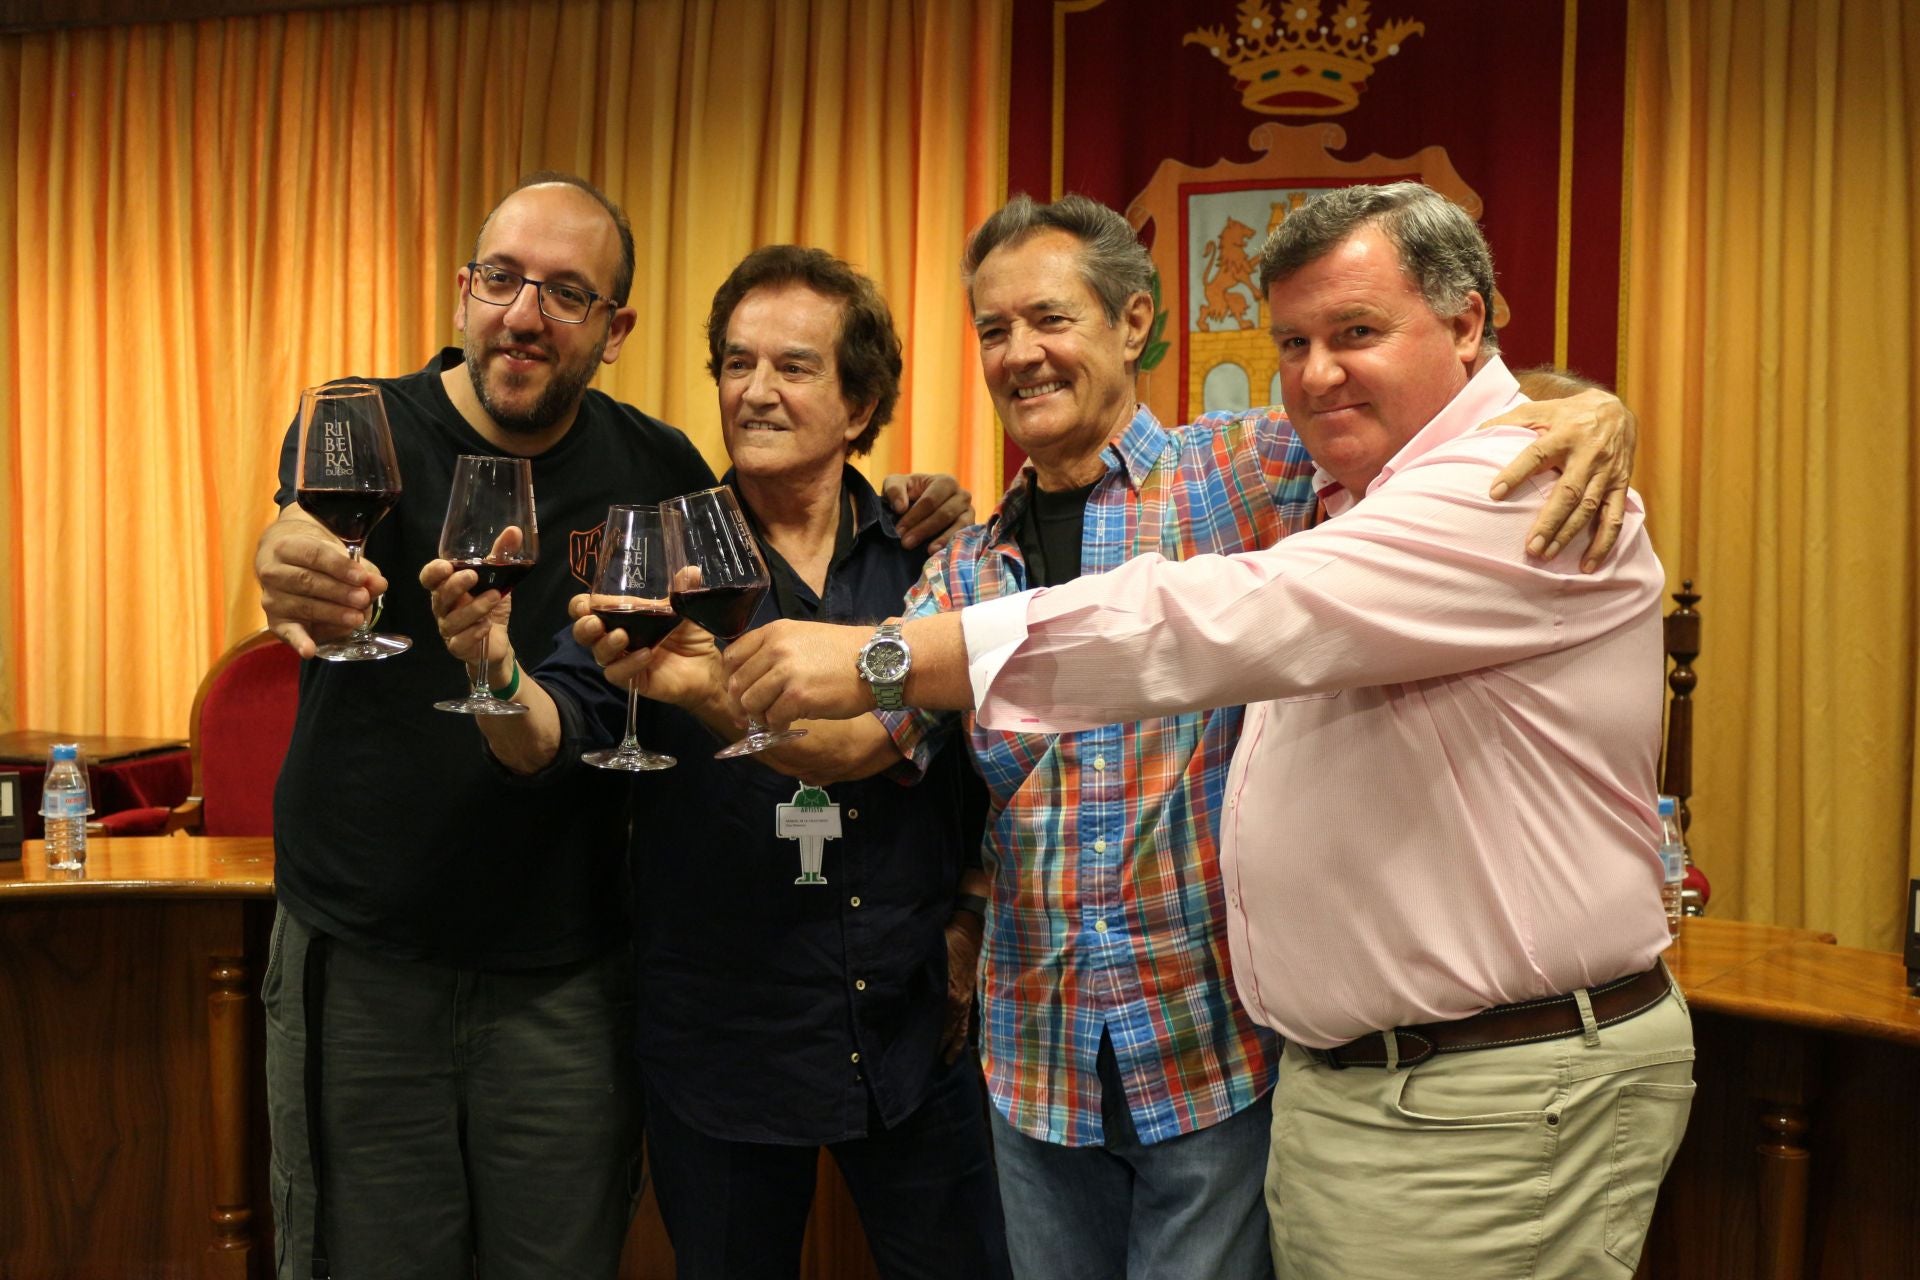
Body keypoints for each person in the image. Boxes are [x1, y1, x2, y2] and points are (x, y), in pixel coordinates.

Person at [725, 182, 1695, 1279]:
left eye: (1050, 318)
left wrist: (1589, 405)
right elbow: (859, 742)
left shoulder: (1256, 462)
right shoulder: (962, 558)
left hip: (1219, 1053)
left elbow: (1218, 605)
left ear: (1132, 324)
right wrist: (709, 685)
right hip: (1044, 1054)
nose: (1020, 354)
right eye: (994, 329)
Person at [253, 175, 972, 1280]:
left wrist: (935, 507)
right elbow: (307, 551)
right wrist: (292, 572)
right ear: (464, 291)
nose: (524, 313)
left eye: (567, 292)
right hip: (376, 946)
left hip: (582, 964)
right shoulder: (375, 429)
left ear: (614, 327)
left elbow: (949, 744)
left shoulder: (672, 478)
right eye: (501, 279)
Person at [420, 244, 1011, 1280]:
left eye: (793, 366)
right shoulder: (654, 556)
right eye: (737, 364)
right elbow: (550, 733)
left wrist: (967, 910)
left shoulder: (931, 557)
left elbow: (988, 767)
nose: (757, 391)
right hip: (725, 1044)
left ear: (861, 401)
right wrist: (495, 672)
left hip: (915, 1035)